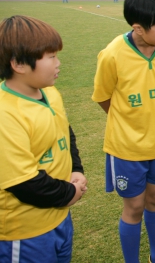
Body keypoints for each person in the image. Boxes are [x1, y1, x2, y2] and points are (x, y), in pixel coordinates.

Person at [92, 0, 155, 263]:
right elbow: (102, 98)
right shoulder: (111, 55)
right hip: (126, 148)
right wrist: (126, 121)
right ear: (139, 28)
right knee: (134, 207)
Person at [0, 16, 87, 263]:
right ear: (18, 64)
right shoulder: (5, 114)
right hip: (25, 233)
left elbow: (64, 132)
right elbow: (24, 183)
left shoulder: (50, 92)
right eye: (51, 57)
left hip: (59, 219)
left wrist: (76, 169)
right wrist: (69, 192)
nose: (59, 64)